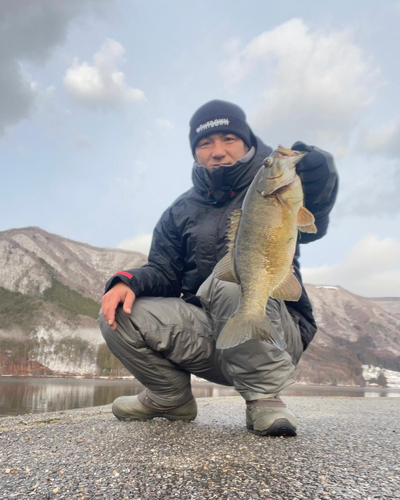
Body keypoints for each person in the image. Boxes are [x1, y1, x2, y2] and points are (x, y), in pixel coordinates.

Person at [99, 100, 338, 437]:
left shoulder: (279, 187)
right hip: (212, 336)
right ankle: (171, 398)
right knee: (117, 313)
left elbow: (316, 216)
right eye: (205, 143)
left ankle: (264, 398)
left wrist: (317, 175)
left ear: (248, 142)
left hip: (276, 333)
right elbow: (164, 271)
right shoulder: (179, 210)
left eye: (229, 138)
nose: (218, 151)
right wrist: (129, 281)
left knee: (236, 280)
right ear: (195, 153)